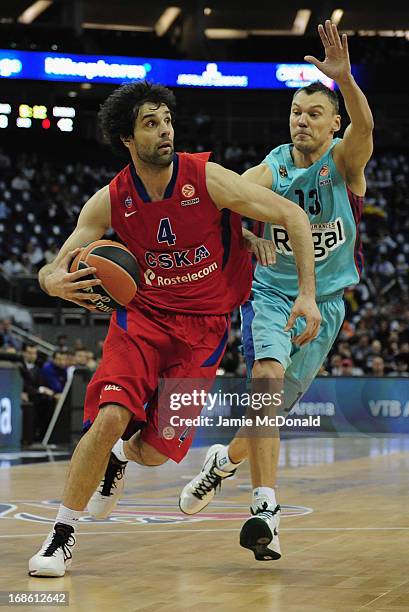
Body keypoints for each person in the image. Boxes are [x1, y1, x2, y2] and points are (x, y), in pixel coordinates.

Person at [28, 81, 321, 577]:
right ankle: (61, 535)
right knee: (109, 417)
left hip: (202, 333)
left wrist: (306, 295)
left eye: (166, 120)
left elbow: (292, 214)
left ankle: (121, 458)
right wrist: (53, 283)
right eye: (150, 123)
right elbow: (52, 268)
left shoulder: (207, 178)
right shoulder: (111, 200)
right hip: (140, 321)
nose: (165, 130)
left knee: (156, 452)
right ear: (127, 138)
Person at [179, 20, 374, 562]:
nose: (302, 121)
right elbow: (221, 201)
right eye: (295, 112)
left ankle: (221, 464)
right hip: (271, 295)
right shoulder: (273, 165)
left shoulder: (345, 161)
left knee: (265, 418)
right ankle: (265, 509)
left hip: (326, 305)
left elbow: (366, 125)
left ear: (334, 123)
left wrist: (346, 81)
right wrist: (242, 232)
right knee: (264, 379)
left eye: (314, 113)